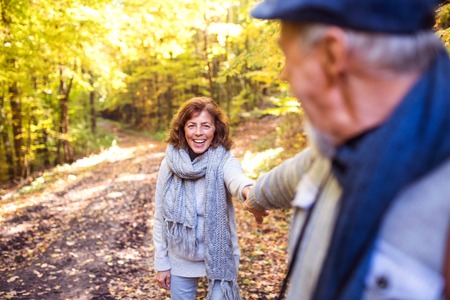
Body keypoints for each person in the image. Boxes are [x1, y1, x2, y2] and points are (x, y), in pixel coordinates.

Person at [243, 0, 450, 299]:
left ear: (332, 54)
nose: (283, 74)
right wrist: (254, 196)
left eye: (287, 55)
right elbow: (284, 180)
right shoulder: (336, 152)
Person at [152, 97, 253, 300]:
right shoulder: (169, 164)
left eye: (206, 126)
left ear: (216, 129)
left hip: (219, 256)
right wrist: (161, 263)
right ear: (182, 130)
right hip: (180, 257)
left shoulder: (224, 160)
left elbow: (236, 179)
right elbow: (160, 217)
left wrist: (250, 191)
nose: (199, 133)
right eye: (192, 126)